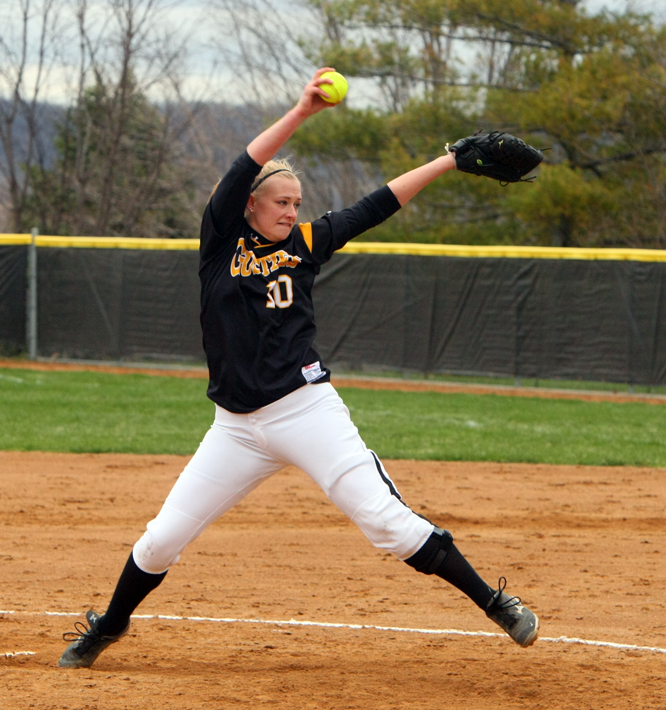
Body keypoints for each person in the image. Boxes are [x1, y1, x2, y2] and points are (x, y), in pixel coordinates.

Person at [59, 68, 539, 669]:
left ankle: (495, 603)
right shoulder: (218, 247)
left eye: (296, 204)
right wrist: (302, 112)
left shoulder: (305, 244)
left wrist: (450, 162)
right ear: (250, 205)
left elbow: (374, 206)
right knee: (161, 539)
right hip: (234, 428)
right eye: (280, 202)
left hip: (305, 410)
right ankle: (108, 626)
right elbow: (241, 168)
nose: (291, 211)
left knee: (386, 523)